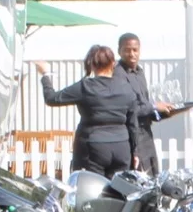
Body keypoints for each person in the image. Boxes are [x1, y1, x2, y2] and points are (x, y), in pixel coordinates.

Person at [37, 44, 140, 177]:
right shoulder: (126, 87)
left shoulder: (85, 87)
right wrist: (135, 151)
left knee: (92, 187)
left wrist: (45, 75)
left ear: (92, 65)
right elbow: (133, 124)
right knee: (119, 188)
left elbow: (51, 99)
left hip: (93, 146)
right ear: (113, 63)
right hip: (121, 146)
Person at [116, 33, 175, 176]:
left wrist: (163, 112)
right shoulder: (118, 74)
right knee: (137, 177)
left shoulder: (139, 72)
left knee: (153, 174)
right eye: (127, 50)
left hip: (146, 133)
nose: (131, 54)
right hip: (131, 135)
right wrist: (154, 106)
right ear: (119, 51)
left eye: (135, 50)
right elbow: (129, 108)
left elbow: (144, 104)